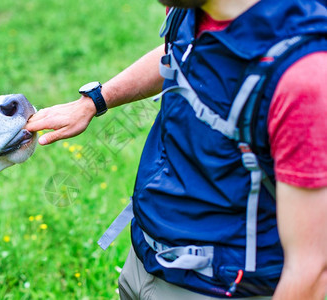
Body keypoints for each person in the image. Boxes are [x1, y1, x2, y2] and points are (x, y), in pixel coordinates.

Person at [27, 0, 327, 299]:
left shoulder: (305, 79)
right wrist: (95, 100)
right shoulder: (190, 9)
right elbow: (179, 52)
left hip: (218, 288)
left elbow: (310, 270)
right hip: (145, 258)